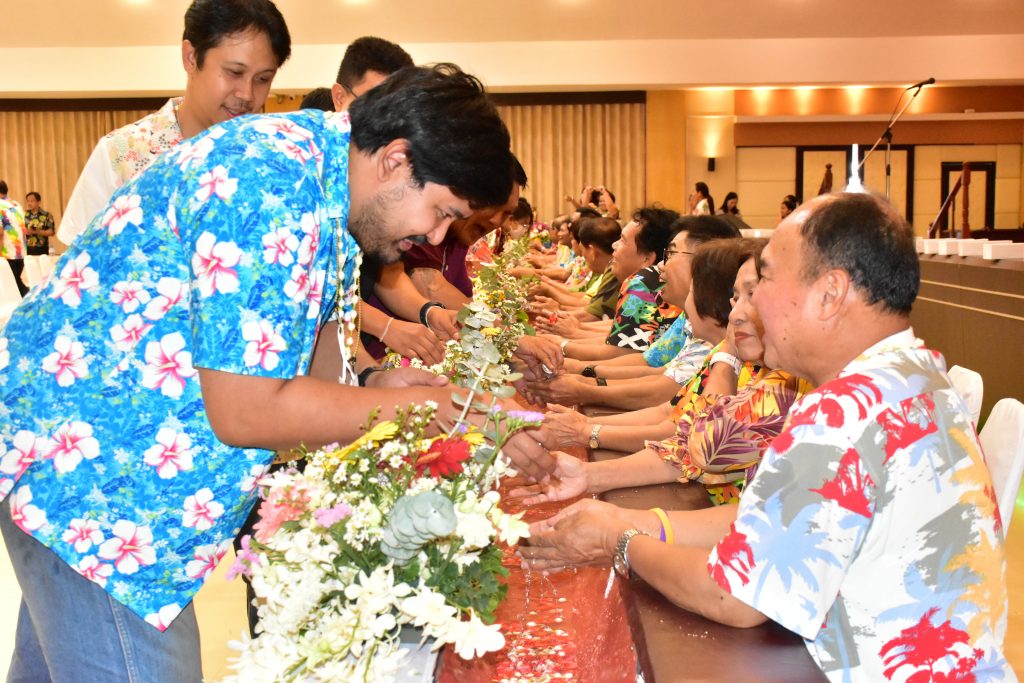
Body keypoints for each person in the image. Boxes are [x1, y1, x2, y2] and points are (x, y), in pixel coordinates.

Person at [0, 64, 556, 682]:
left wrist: (375, 386)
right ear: (396, 160)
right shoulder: (267, 183)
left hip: (100, 475)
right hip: (92, 484)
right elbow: (247, 410)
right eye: (441, 211)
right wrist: (432, 408)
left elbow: (305, 340)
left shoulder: (323, 177)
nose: (436, 233)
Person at [521, 192, 1013, 683]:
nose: (752, 305)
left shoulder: (846, 409)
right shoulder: (918, 374)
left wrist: (617, 540)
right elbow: (767, 520)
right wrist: (628, 518)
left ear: (830, 293)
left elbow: (733, 596)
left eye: (766, 280)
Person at [518, 241, 810, 507]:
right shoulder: (736, 357)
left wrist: (587, 419)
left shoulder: (756, 368)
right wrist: (588, 457)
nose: (662, 268)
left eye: (752, 295)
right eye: (736, 298)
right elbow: (677, 419)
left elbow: (700, 442)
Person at [57, 0, 291, 246]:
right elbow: (76, 267)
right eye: (234, 72)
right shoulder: (121, 155)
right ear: (191, 57)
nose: (247, 94)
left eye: (263, 79)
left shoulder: (274, 159)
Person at [0, 180, 27, 295]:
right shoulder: (16, 204)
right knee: (15, 283)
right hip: (20, 252)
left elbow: (0, 232)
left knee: (12, 286)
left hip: (6, 252)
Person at [23, 191, 55, 256]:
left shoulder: (47, 215)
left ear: (39, 202)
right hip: (26, 248)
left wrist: (36, 232)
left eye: (32, 201)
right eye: (28, 201)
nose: (29, 203)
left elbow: (51, 232)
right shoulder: (23, 214)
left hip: (41, 248)